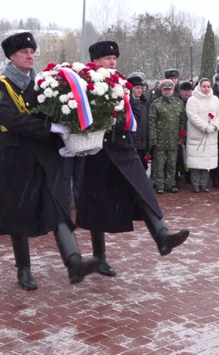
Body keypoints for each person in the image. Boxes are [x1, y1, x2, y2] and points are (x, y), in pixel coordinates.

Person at [0, 32, 96, 290]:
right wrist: (50, 128)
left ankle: (74, 262)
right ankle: (23, 269)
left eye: (32, 51)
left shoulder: (42, 84)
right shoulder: (0, 84)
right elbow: (11, 119)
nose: (30, 56)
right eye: (24, 52)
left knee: (59, 206)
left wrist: (71, 138)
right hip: (16, 156)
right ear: (11, 56)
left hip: (46, 156)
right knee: (19, 212)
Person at [76, 40, 190, 278]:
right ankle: (99, 257)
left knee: (143, 190)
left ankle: (162, 236)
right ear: (95, 61)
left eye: (114, 57)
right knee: (97, 203)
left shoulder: (120, 81)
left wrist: (126, 122)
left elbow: (133, 109)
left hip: (124, 146)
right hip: (99, 149)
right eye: (107, 58)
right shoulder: (84, 81)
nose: (112, 61)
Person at [185, 78, 219, 192]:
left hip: (211, 135)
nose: (206, 88)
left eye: (208, 86)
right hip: (197, 135)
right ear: (199, 87)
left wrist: (215, 126)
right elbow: (192, 116)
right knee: (196, 162)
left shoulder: (215, 99)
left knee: (207, 162)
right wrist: (205, 127)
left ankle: (205, 184)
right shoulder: (192, 100)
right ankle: (196, 184)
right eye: (204, 86)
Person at [148, 80, 187, 193]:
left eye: (169, 89)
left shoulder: (179, 103)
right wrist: (153, 139)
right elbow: (152, 123)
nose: (167, 91)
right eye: (165, 89)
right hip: (160, 140)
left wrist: (181, 138)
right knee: (159, 165)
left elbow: (183, 122)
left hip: (174, 140)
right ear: (161, 90)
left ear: (173, 90)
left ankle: (171, 184)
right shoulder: (156, 104)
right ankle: (159, 185)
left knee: (172, 164)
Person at [129, 75, 149, 168]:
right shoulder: (128, 103)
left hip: (143, 142)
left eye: (141, 88)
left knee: (142, 167)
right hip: (132, 142)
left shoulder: (145, 103)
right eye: (137, 88)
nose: (140, 90)